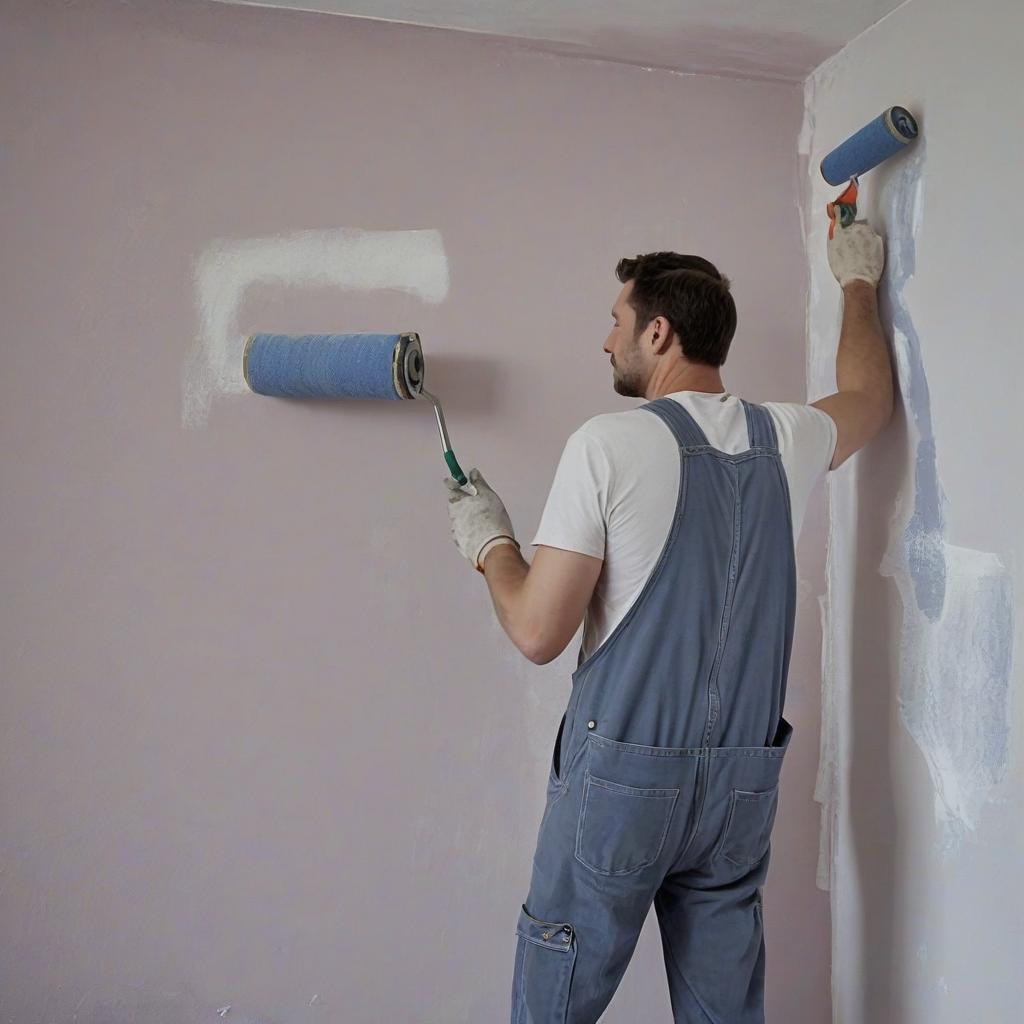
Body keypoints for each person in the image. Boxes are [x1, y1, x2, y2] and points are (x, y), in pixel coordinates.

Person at [444, 219, 890, 1023]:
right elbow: (868, 399)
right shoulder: (787, 436)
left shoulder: (607, 444)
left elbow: (538, 632)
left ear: (658, 331)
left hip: (622, 786)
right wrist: (859, 282)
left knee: (557, 998)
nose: (605, 341)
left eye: (616, 323)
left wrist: (491, 542)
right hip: (738, 791)